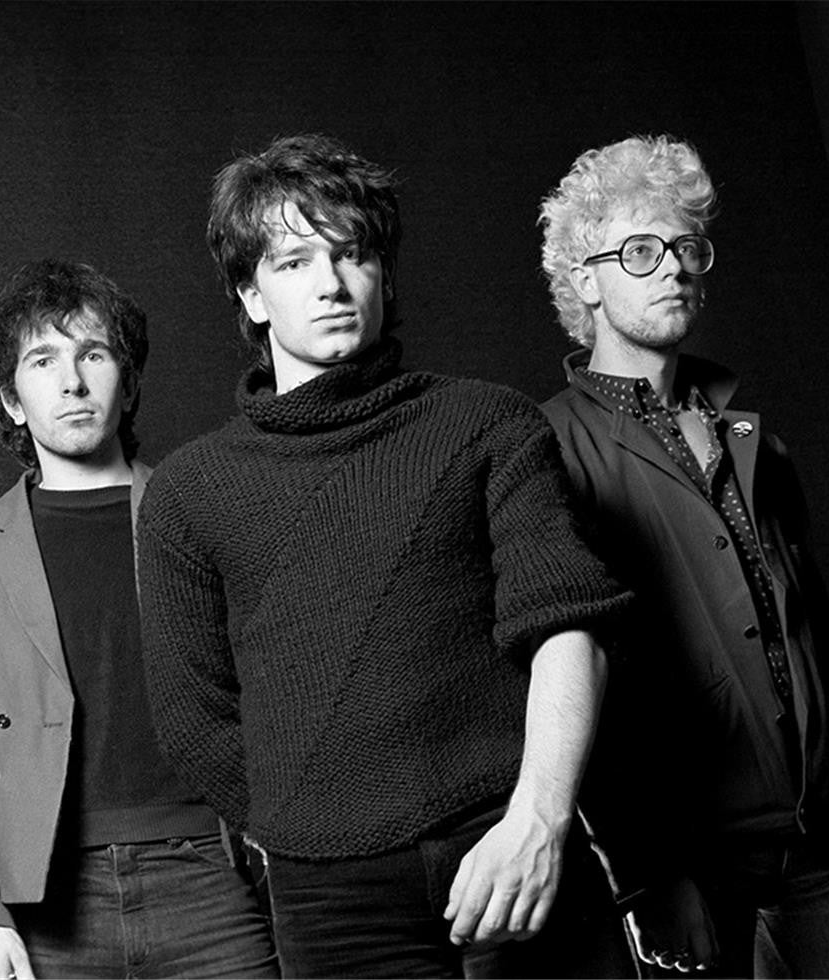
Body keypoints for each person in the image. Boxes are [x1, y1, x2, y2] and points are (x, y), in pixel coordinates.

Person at [135, 132, 635, 978]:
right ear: (251, 296)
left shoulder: (487, 423)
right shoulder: (189, 492)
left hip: (511, 838)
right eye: (294, 263)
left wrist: (539, 820)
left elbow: (567, 628)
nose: (331, 284)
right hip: (334, 901)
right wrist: (313, 823)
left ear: (385, 276)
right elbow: (194, 720)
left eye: (353, 255)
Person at [537, 134, 829, 977]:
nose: (672, 267)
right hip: (692, 866)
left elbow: (818, 639)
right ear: (585, 280)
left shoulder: (754, 442)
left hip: (823, 847)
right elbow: (568, 685)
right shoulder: (547, 451)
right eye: (640, 250)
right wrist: (645, 876)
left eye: (686, 247)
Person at [0, 259, 277, 980]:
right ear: (13, 401)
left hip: (210, 876)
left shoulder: (200, 509)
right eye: (43, 360)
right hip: (51, 898)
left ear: (129, 381)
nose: (72, 382)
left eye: (92, 354)